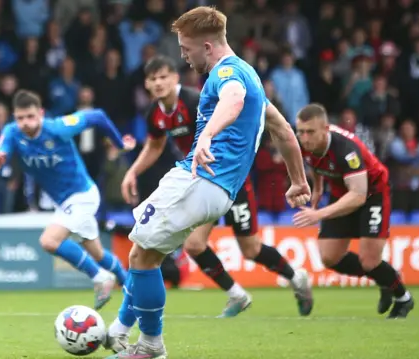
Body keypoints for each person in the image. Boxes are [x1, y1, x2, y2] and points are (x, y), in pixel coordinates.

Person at [104, 7, 311, 359]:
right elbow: (284, 132)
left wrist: (206, 135)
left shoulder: (226, 73)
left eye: (187, 49)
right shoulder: (252, 76)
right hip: (220, 190)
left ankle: (148, 344)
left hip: (199, 178)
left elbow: (233, 100)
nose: (184, 57)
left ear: (209, 47)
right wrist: (298, 181)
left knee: (140, 255)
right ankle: (126, 334)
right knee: (146, 253)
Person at [119, 54, 313, 320]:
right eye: (153, 79)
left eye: (164, 76)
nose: (159, 83)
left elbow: (233, 116)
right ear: (146, 85)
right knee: (194, 245)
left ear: (176, 78)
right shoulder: (155, 113)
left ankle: (296, 278)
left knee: (250, 249)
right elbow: (154, 146)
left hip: (230, 178)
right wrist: (133, 171)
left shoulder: (193, 100)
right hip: (199, 180)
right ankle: (236, 294)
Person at [0, 90, 133, 310]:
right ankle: (131, 287)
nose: (25, 123)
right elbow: (1, 154)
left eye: (30, 116)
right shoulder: (11, 132)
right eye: (20, 118)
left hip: (82, 196)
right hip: (66, 204)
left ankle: (99, 277)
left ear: (41, 113)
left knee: (49, 241)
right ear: (14, 117)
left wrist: (119, 144)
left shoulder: (58, 127)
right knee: (97, 253)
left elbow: (98, 116)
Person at [292, 103, 415, 319]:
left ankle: (403, 298)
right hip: (342, 191)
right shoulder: (303, 143)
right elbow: (314, 159)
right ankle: (383, 278)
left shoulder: (346, 149)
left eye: (310, 132)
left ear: (326, 129)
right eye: (301, 131)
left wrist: (318, 214)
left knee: (370, 261)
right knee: (329, 257)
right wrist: (319, 186)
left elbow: (358, 195)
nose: (305, 137)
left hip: (372, 193)